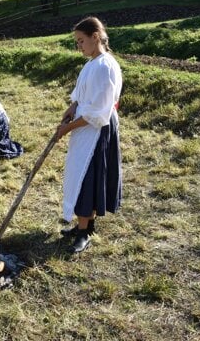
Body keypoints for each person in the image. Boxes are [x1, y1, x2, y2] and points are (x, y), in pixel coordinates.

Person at [55, 16, 123, 253]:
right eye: (77, 42)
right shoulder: (91, 63)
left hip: (96, 130)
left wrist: (67, 129)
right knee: (81, 174)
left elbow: (98, 112)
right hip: (85, 127)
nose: (79, 46)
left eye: (81, 41)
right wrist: (72, 106)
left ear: (96, 37)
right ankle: (85, 224)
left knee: (87, 177)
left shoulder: (105, 66)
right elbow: (82, 94)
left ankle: (84, 232)